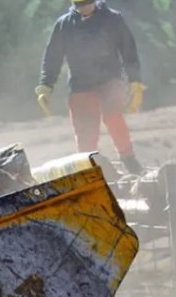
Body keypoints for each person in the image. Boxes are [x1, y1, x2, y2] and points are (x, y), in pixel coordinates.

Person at [35, 0, 146, 175]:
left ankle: (129, 160)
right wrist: (45, 86)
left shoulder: (113, 19)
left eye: (88, 3)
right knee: (85, 132)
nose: (85, 8)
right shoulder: (64, 25)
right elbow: (52, 58)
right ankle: (88, 166)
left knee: (113, 117)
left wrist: (135, 81)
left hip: (109, 80)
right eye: (80, 5)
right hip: (80, 86)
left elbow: (128, 51)